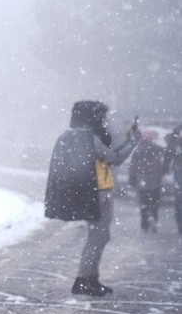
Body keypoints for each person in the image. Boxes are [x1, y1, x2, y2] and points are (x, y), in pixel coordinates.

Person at [44, 100, 140, 296]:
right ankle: (84, 280)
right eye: (101, 117)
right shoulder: (89, 138)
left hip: (93, 193)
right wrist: (133, 141)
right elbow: (114, 159)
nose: (104, 121)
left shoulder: (72, 136)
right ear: (93, 117)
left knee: (99, 237)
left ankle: (90, 279)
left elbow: (108, 156)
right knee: (97, 238)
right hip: (99, 194)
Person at [128, 130, 165, 232]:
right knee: (155, 203)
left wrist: (132, 181)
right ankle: (153, 217)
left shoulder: (138, 151)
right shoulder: (157, 149)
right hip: (155, 181)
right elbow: (164, 161)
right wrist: (163, 174)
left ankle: (146, 221)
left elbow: (132, 167)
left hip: (142, 181)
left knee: (144, 203)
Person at [165, 125, 182, 235]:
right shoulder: (175, 141)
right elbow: (168, 155)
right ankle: (180, 225)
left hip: (178, 172)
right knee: (179, 201)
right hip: (179, 173)